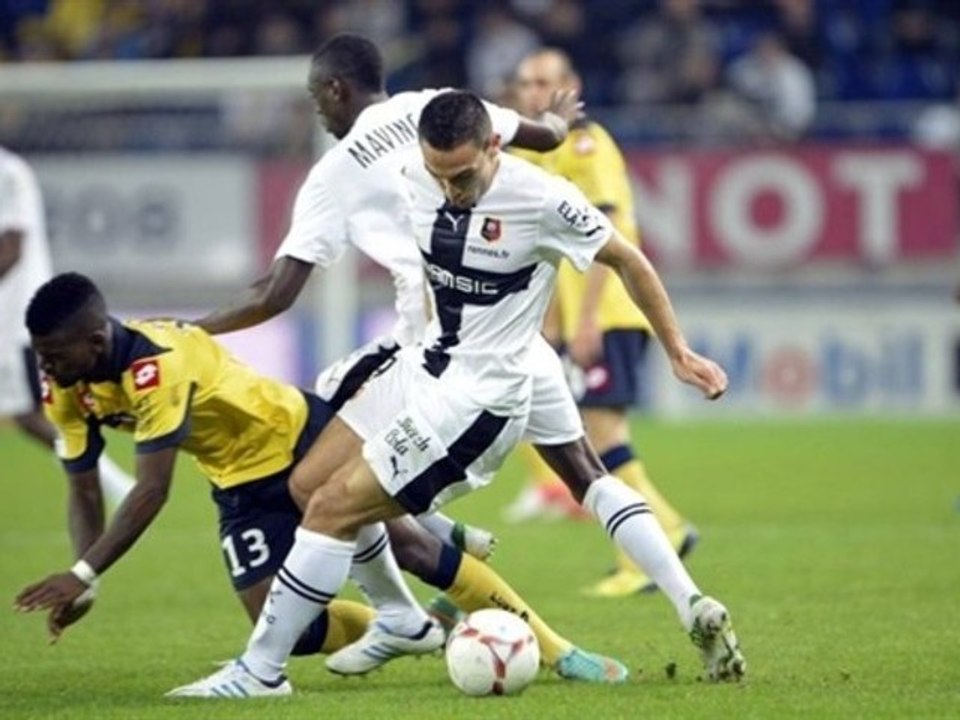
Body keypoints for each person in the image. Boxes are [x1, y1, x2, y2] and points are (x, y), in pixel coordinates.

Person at [168, 90, 746, 699]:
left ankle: (260, 672)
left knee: (332, 507)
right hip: (434, 361)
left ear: (494, 144)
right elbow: (533, 130)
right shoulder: (422, 150)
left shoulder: (541, 199)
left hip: (483, 393)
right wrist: (547, 121)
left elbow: (629, 259)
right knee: (313, 484)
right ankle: (692, 605)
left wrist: (678, 351)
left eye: (464, 175)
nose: (452, 189)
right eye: (439, 175)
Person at [13, 273, 626, 685]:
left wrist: (84, 571)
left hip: (299, 436)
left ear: (95, 340)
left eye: (54, 355)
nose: (45, 366)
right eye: (40, 355)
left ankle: (557, 650)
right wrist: (82, 577)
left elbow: (150, 490)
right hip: (237, 480)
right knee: (289, 631)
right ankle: (423, 627)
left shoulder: (156, 367)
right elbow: (83, 484)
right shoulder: (68, 385)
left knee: (413, 548)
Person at [504, 48, 699, 598]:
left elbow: (607, 237)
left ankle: (645, 554)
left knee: (599, 435)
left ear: (572, 86)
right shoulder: (538, 152)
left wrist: (585, 319)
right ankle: (666, 530)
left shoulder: (586, 145)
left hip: (612, 310)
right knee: (600, 435)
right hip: (585, 317)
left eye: (545, 82)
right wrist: (553, 318)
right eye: (525, 84)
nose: (533, 92)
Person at [0, 146, 133, 507]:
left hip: (12, 317)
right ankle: (115, 484)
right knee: (28, 415)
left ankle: (115, 485)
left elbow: (10, 249)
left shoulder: (8, 172)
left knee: (29, 414)